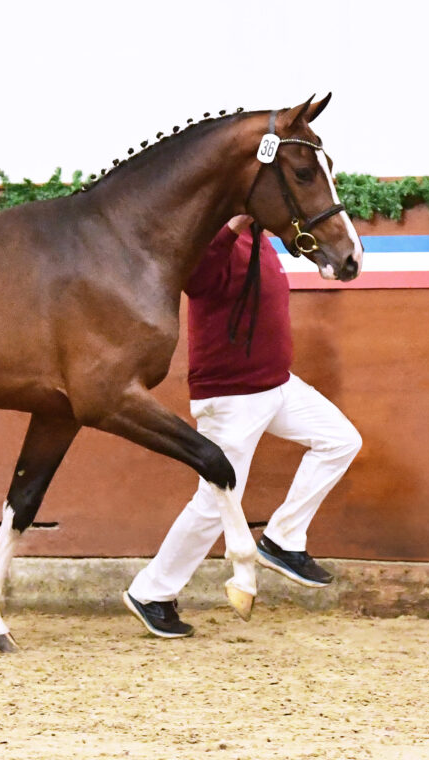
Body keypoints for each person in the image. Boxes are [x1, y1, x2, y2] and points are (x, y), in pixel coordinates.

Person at [122, 215, 362, 638]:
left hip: (279, 384)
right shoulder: (210, 235)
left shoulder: (261, 235)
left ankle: (283, 539)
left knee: (340, 441)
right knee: (213, 502)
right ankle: (151, 593)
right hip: (230, 395)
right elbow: (194, 280)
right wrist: (232, 225)